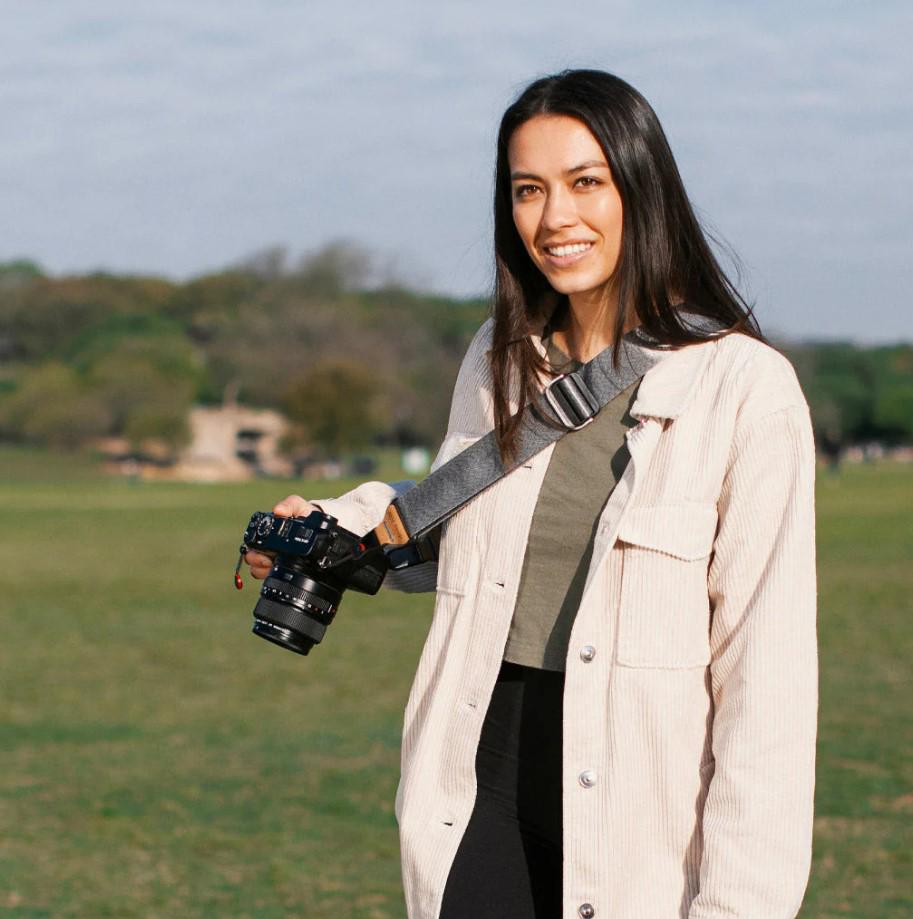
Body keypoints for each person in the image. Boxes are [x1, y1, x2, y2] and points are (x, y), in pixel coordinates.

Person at [244, 69, 818, 919]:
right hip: (479, 770)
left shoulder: (744, 388)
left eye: (585, 182)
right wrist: (344, 524)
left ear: (641, 188)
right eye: (527, 190)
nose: (555, 218)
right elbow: (461, 508)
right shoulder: (498, 355)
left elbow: (764, 688)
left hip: (639, 802)